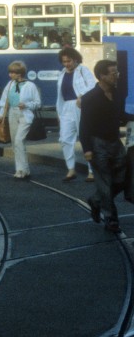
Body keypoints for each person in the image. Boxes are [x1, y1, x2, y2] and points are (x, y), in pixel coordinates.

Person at [79, 59, 127, 232]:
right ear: (102, 76)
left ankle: (96, 200)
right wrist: (87, 150)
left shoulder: (117, 93)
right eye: (113, 73)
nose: (116, 76)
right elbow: (84, 125)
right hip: (98, 144)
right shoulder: (90, 98)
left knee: (122, 179)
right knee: (105, 183)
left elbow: (121, 115)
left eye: (117, 73)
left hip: (115, 142)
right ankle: (111, 220)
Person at [56, 46, 96, 183]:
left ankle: (91, 171)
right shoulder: (62, 73)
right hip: (66, 107)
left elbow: (92, 85)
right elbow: (60, 95)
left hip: (81, 105)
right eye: (64, 61)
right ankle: (71, 169)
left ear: (75, 59)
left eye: (69, 61)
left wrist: (81, 96)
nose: (67, 64)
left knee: (85, 137)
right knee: (65, 139)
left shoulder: (83, 70)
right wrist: (59, 113)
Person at [0, 60, 41, 180]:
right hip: (12, 113)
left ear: (19, 73)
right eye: (10, 72)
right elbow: (4, 100)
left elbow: (37, 103)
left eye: (12, 73)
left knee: (19, 140)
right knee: (15, 143)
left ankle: (22, 169)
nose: (10, 75)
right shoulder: (10, 84)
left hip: (25, 114)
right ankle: (22, 169)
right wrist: (1, 114)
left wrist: (26, 105)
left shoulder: (30, 85)